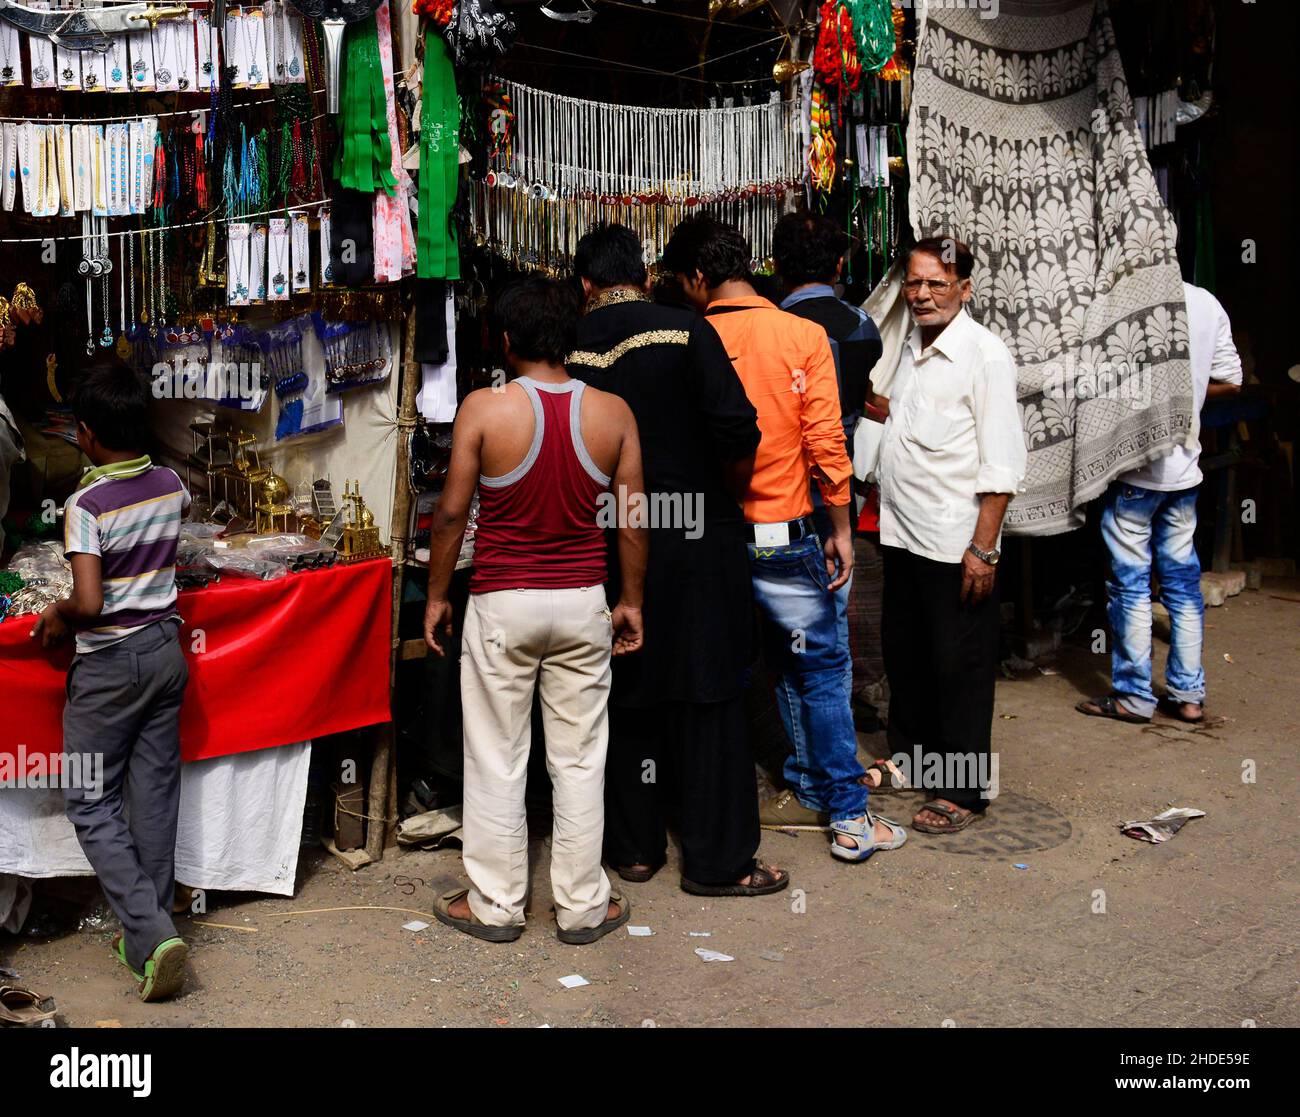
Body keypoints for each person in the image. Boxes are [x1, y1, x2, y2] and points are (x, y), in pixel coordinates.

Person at [663, 215, 907, 863]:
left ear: (696, 277)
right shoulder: (802, 336)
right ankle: (850, 815)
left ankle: (799, 779)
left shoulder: (689, 338)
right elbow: (826, 444)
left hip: (713, 538)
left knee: (754, 669)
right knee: (819, 668)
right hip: (784, 533)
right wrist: (839, 528)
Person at [423, 276, 648, 944]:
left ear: (504, 339)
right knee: (579, 757)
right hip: (583, 603)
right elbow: (632, 521)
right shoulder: (614, 414)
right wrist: (631, 600)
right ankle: (582, 906)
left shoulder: (483, 410)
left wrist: (437, 594)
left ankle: (495, 904)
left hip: (502, 604)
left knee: (498, 754)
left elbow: (452, 514)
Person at [568, 223, 787, 897]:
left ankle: (634, 848)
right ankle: (718, 860)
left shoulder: (571, 347)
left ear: (586, 284)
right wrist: (717, 496)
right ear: (646, 270)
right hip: (698, 536)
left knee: (629, 687)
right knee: (708, 690)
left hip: (610, 536)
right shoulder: (687, 331)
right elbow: (737, 430)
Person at [29, 360, 191, 1001]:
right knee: (152, 797)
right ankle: (148, 936)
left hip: (110, 664)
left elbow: (90, 602)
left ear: (88, 433)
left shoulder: (85, 505)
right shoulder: (171, 482)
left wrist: (56, 611)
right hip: (166, 652)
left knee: (91, 803)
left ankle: (151, 934)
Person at [876, 236, 1026, 834]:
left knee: (959, 665)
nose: (922, 294)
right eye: (914, 282)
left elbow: (1001, 464)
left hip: (955, 542)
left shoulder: (983, 355)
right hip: (903, 534)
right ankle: (914, 758)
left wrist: (983, 549)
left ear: (965, 289)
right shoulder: (910, 346)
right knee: (907, 655)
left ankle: (963, 789)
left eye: (937, 283)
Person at [1077, 282, 1243, 725]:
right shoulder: (1207, 301)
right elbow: (1232, 380)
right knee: (1183, 586)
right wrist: (1188, 391)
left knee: (1130, 586)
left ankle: (1134, 697)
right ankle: (1188, 696)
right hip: (1184, 472)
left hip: (1135, 472)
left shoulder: (1122, 301)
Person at [772, 211, 887, 737]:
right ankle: (831, 729)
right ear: (840, 263)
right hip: (836, 485)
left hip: (779, 491)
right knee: (830, 616)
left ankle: (808, 746)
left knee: (787, 625)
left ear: (776, 265)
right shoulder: (862, 326)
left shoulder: (774, 330)